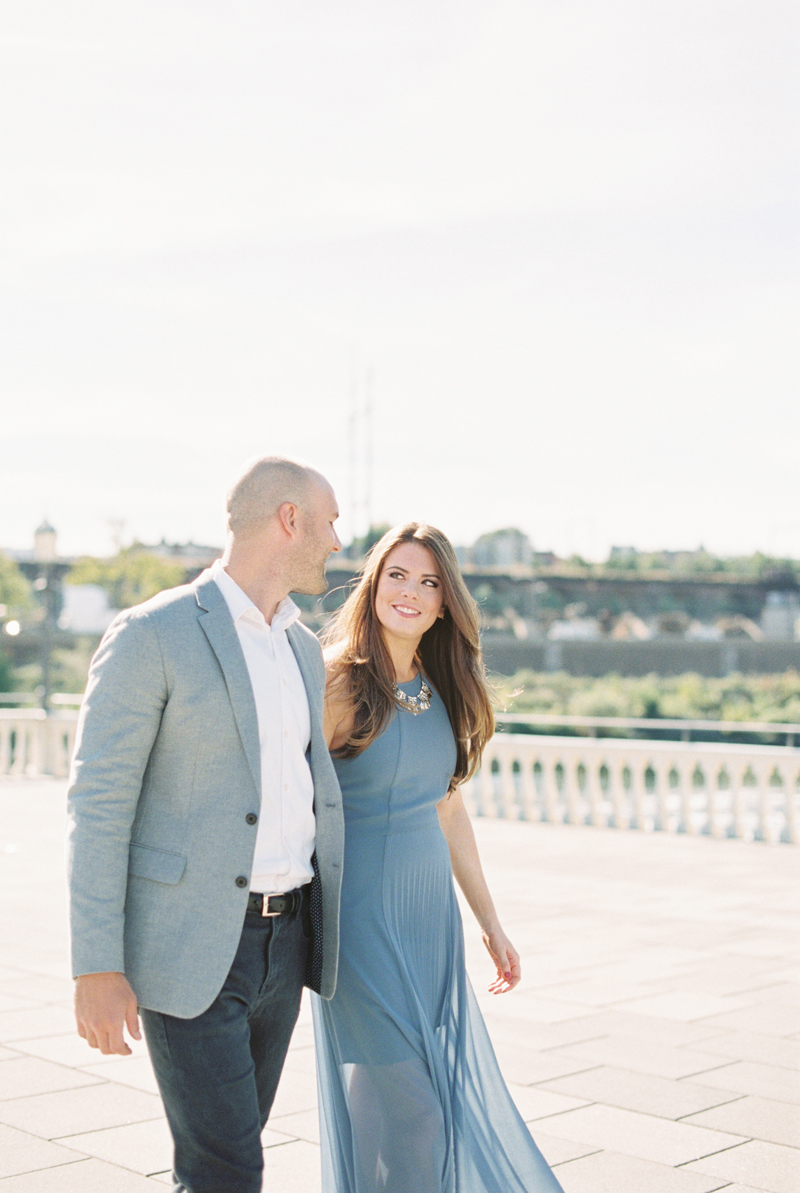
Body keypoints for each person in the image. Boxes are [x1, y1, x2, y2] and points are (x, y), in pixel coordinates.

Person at [66, 456, 345, 1193]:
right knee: (230, 1169)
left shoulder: (302, 648)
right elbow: (98, 804)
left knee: (226, 1155)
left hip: (288, 945)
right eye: (331, 521)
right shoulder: (151, 633)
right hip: (190, 946)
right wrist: (95, 963)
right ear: (290, 520)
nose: (340, 541)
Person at [313, 522, 564, 1193]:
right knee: (421, 1111)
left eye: (428, 581)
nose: (411, 591)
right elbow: (287, 792)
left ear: (446, 602)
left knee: (380, 1096)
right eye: (397, 574)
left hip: (429, 918)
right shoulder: (339, 683)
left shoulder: (441, 683)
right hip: (360, 919)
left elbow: (448, 807)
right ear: (372, 584)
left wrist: (490, 922)